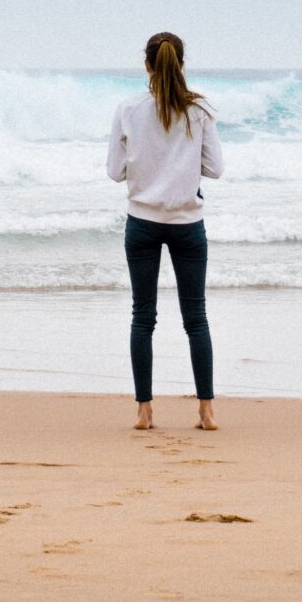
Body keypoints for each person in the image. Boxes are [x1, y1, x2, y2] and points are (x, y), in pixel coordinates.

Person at [107, 32, 224, 431]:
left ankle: (144, 411)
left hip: (141, 222)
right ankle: (206, 411)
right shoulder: (199, 109)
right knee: (196, 318)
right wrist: (180, 167)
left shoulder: (128, 108)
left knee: (143, 317)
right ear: (181, 64)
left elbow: (114, 171)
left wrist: (146, 169)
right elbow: (215, 168)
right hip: (188, 224)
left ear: (147, 66)